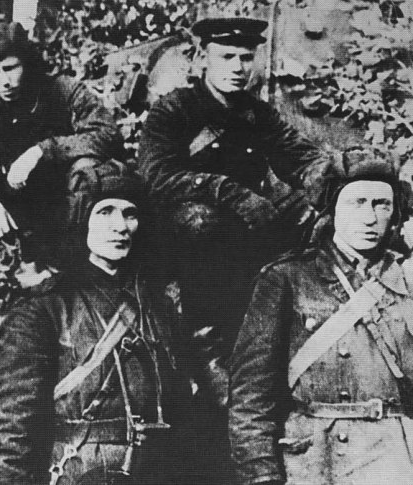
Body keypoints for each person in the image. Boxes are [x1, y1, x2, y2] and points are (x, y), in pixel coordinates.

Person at [137, 17, 329, 482]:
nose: (238, 67)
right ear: (202, 58)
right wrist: (230, 191)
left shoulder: (256, 114)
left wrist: (337, 178)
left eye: (246, 58)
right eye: (226, 57)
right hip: (183, 249)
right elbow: (157, 176)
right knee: (199, 219)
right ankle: (206, 350)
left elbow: (300, 157)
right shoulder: (173, 111)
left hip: (243, 243)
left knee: (313, 218)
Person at [0, 162, 196, 484]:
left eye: (130, 213)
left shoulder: (159, 307)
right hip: (78, 473)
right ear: (80, 219)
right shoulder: (44, 309)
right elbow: (5, 428)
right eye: (104, 212)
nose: (120, 226)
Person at [229, 152, 413, 484]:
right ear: (333, 209)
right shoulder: (287, 278)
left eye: (381, 204)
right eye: (357, 203)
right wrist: (261, 475)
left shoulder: (406, 279)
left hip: (397, 458)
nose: (370, 217)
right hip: (318, 462)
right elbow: (251, 398)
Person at [0, 18, 123, 281]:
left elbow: (107, 134)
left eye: (10, 68)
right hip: (17, 201)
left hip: (67, 198)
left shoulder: (62, 90)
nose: (4, 81)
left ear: (27, 63)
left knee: (88, 172)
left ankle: (77, 271)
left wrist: (42, 151)